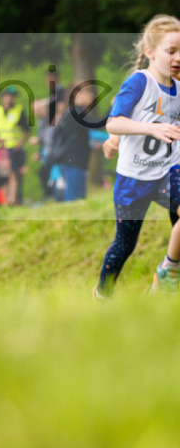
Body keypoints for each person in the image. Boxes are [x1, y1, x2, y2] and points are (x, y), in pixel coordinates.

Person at [94, 15, 180, 298]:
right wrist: (149, 131)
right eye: (171, 51)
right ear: (150, 52)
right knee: (124, 245)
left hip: (169, 171)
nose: (178, 58)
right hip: (134, 178)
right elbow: (114, 122)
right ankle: (102, 295)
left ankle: (167, 272)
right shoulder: (139, 82)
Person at [47, 84, 101, 202]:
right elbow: (99, 124)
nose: (92, 95)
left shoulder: (72, 112)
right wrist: (116, 107)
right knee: (74, 200)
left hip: (73, 162)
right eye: (88, 92)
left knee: (78, 199)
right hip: (72, 162)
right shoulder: (75, 113)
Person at [0, 87, 29, 205]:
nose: (10, 99)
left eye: (12, 97)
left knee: (13, 173)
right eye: (8, 96)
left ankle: (12, 199)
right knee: (2, 175)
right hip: (0, 148)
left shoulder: (19, 110)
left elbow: (26, 130)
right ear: (3, 98)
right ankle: (4, 199)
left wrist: (20, 144)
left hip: (13, 147)